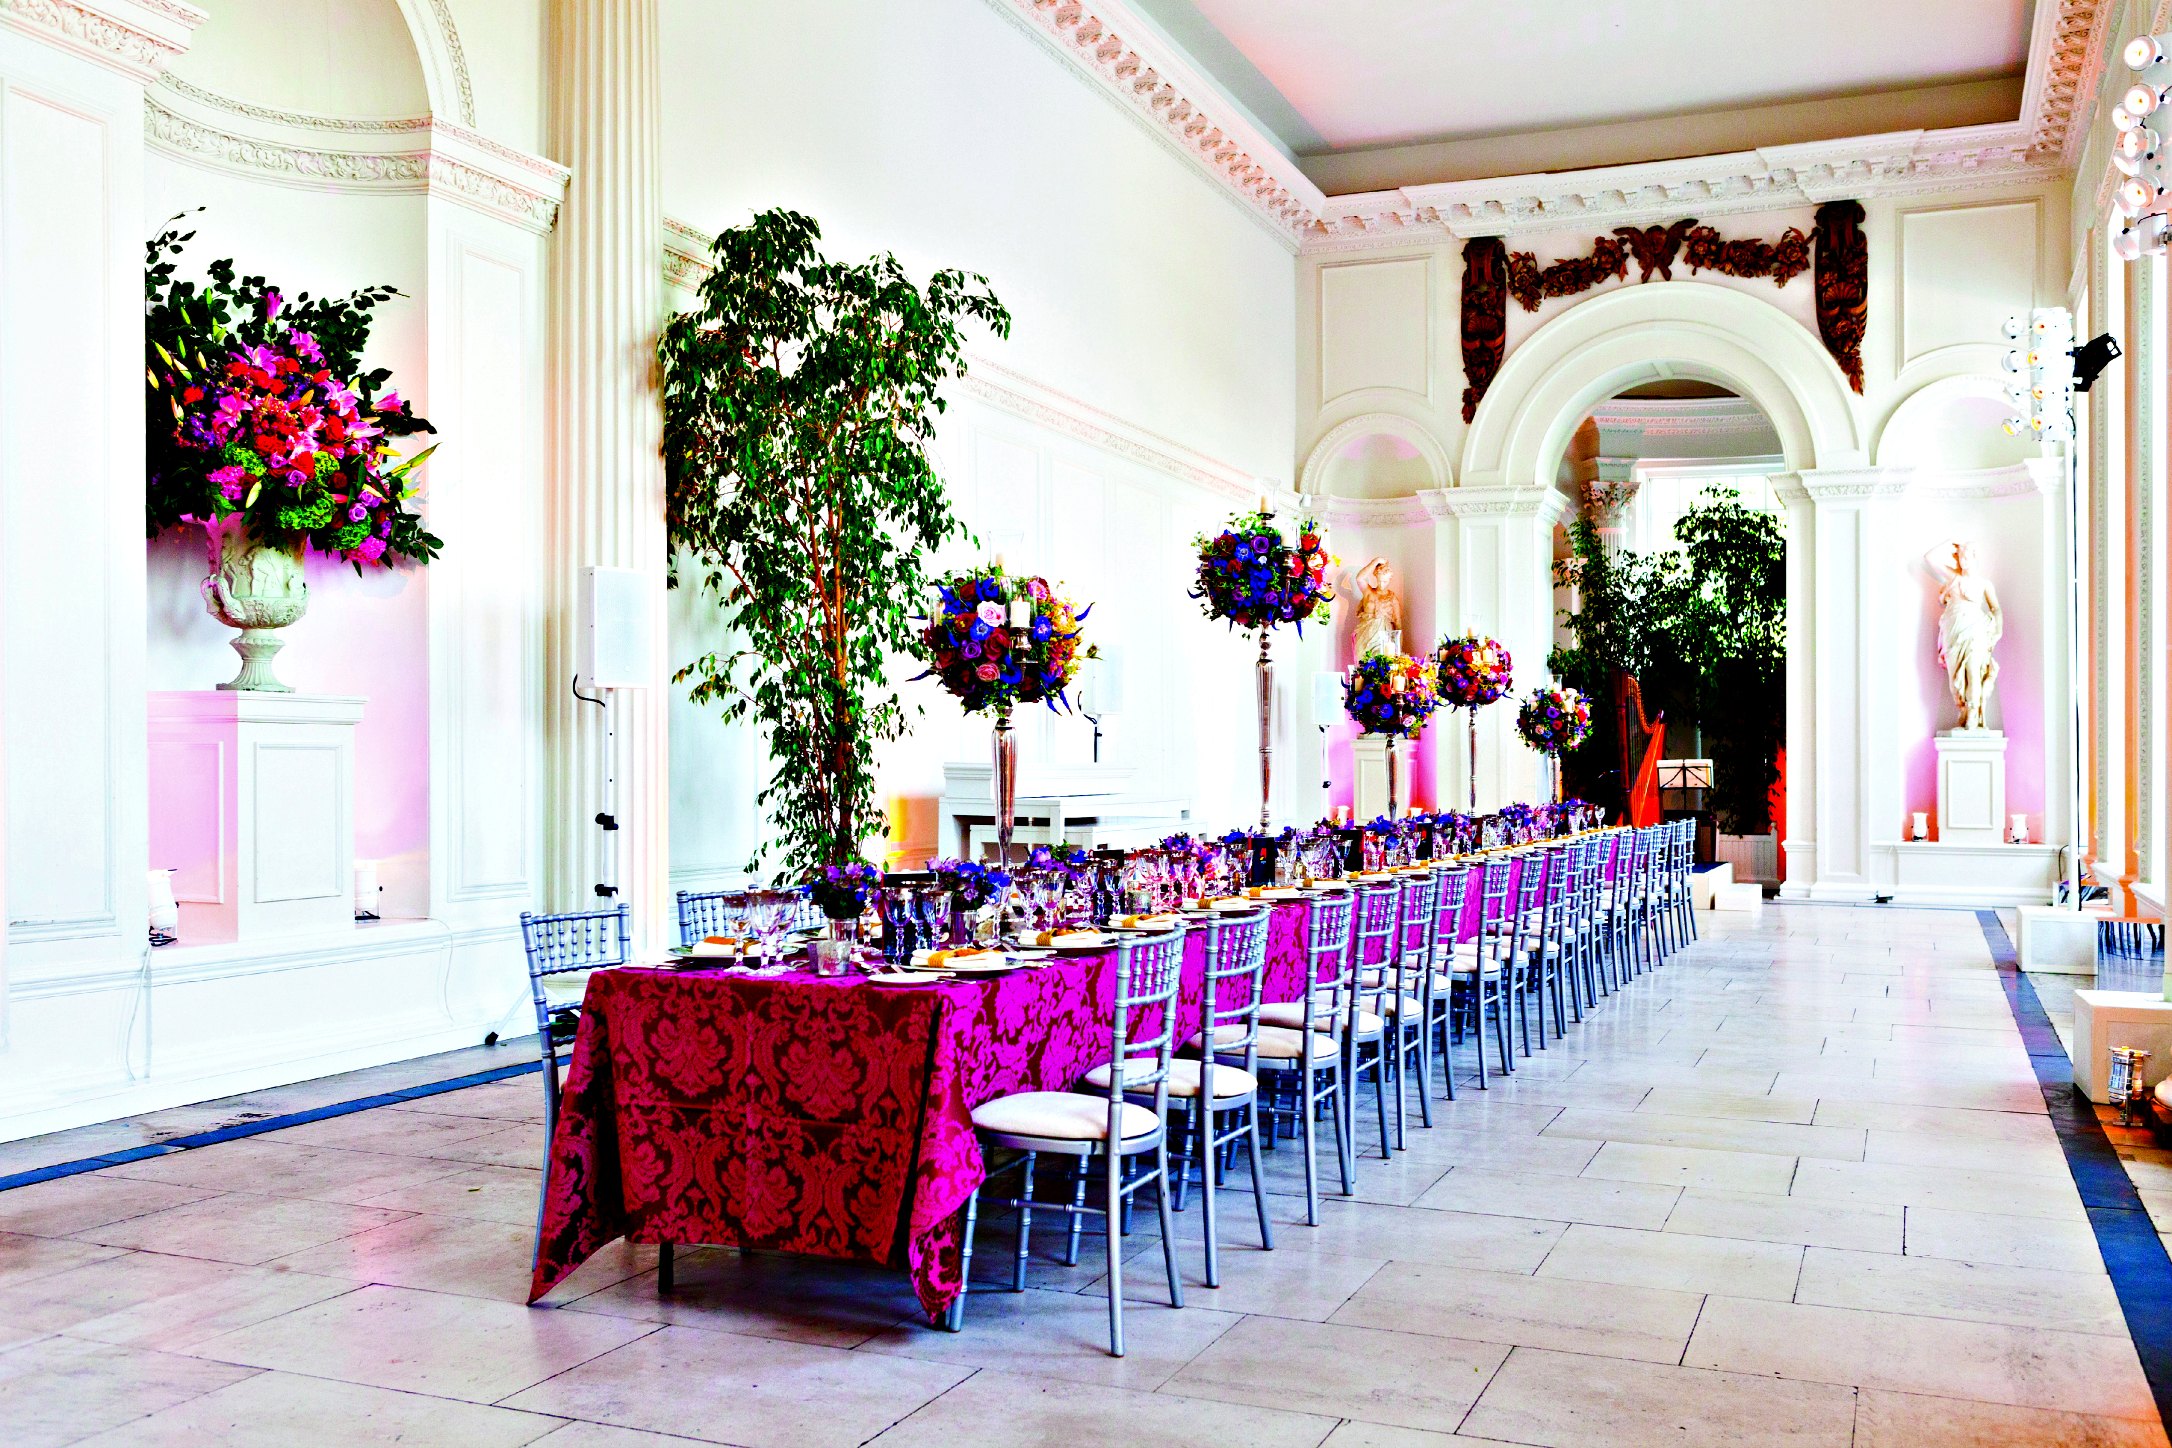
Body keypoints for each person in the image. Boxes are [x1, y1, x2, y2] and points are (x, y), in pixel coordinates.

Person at [1926, 541, 2001, 730]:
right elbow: (1930, 558)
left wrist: (1997, 628)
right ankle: (1963, 711)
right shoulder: (1954, 578)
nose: (1964, 561)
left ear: (1975, 558)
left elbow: (1995, 608)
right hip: (1953, 630)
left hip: (1975, 630)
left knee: (1973, 671)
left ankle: (1973, 716)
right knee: (1955, 681)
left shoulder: (1984, 584)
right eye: (1961, 558)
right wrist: (1948, 544)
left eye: (1967, 557)